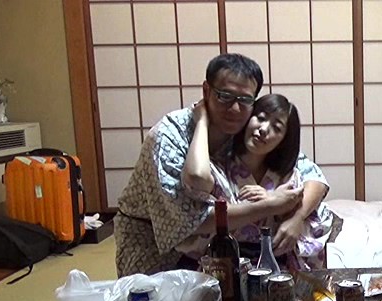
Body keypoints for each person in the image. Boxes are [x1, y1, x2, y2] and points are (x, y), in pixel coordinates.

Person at [114, 53, 303, 277]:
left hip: (212, 251)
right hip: (150, 242)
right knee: (153, 298)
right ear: (206, 91)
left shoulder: (246, 130)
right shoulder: (169, 136)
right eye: (225, 96)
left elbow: (310, 173)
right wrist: (272, 205)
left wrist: (297, 217)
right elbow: (195, 214)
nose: (235, 108)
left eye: (244, 100)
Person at [183, 93, 333, 270]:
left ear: (284, 140)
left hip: (278, 270)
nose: (263, 129)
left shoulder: (289, 176)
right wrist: (270, 205)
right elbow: (199, 218)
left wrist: (288, 213)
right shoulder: (216, 168)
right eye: (260, 118)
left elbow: (314, 212)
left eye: (277, 128)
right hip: (226, 269)